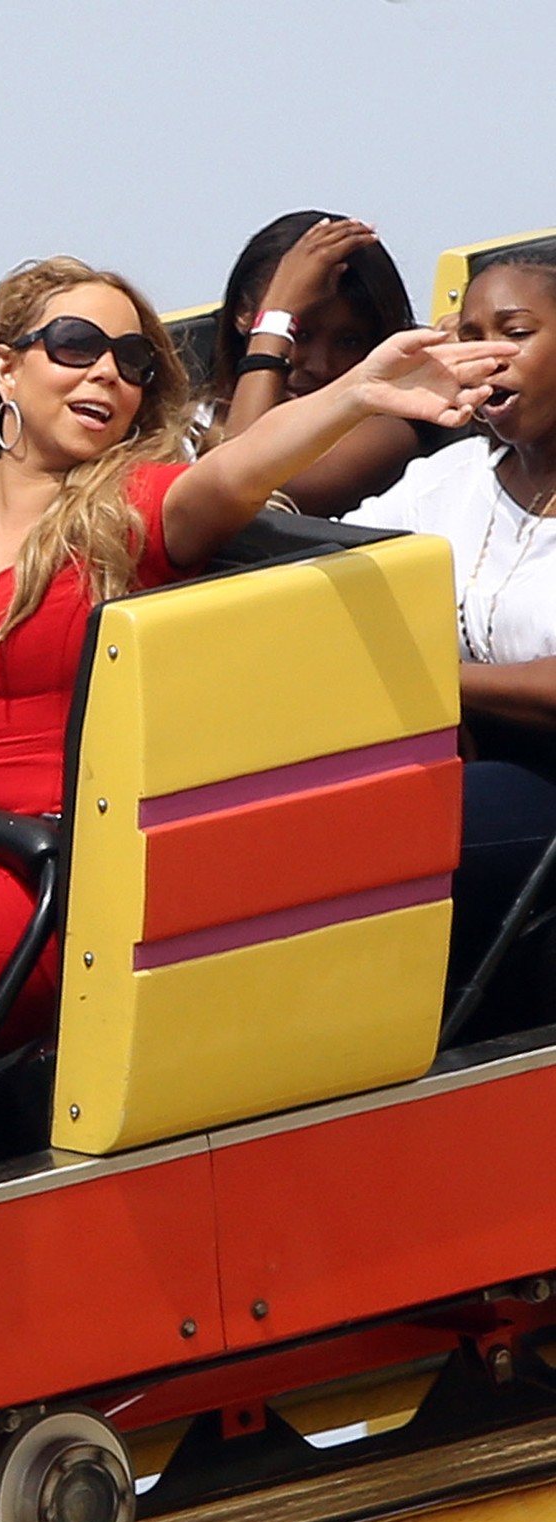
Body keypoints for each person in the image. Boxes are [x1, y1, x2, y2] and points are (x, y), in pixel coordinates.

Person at [0, 256, 510, 1072]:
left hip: (62, 886)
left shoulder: (131, 508)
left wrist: (358, 390)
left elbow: (236, 471)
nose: (109, 373)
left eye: (135, 362)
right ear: (6, 367)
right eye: (78, 345)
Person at [344, 250, 556, 1008]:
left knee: (388, 834)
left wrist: (433, 683)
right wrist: (377, 397)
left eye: (516, 331)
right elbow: (306, 565)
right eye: (469, 334)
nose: (488, 353)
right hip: (464, 759)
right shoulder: (450, 479)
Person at [197, 213, 425, 516]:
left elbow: (241, 488)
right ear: (243, 314)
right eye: (300, 333)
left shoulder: (384, 435)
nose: (320, 364)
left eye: (349, 341)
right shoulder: (186, 421)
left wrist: (277, 316)